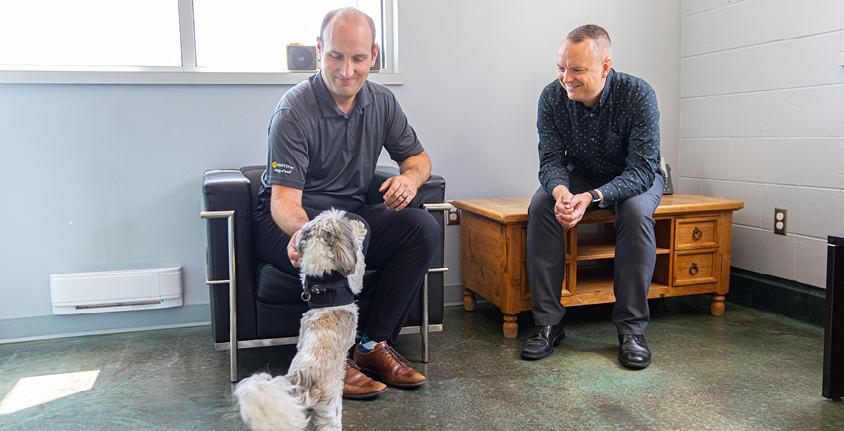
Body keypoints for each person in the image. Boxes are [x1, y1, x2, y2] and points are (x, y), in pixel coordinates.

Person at [253, 7, 438, 399]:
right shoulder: (294, 110)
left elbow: (419, 159)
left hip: (351, 215)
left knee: (421, 227)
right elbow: (284, 201)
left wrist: (409, 177)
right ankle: (331, 365)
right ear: (320, 50)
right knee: (332, 235)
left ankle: (372, 346)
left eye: (358, 58)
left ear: (373, 55)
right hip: (287, 220)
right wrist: (307, 232)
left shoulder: (382, 102)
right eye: (336, 55)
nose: (347, 69)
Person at [521, 24, 663, 369]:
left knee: (634, 212)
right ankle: (548, 323)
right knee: (541, 205)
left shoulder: (638, 94)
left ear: (604, 67)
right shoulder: (551, 97)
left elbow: (643, 169)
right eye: (561, 68)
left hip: (634, 176)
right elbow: (551, 161)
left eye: (576, 70)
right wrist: (561, 192)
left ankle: (631, 330)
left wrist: (595, 197)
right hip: (579, 174)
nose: (565, 78)